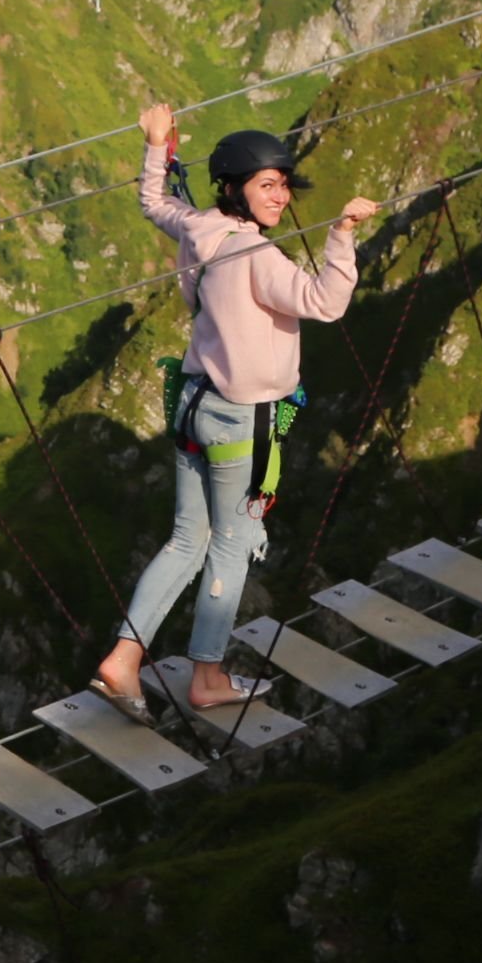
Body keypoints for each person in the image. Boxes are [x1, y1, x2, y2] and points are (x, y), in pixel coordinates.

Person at [95, 102, 378, 719]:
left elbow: (153, 202)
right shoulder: (258, 256)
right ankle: (208, 677)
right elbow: (324, 302)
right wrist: (343, 233)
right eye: (267, 185)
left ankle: (123, 659)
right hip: (239, 419)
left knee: (184, 540)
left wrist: (154, 146)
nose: (280, 197)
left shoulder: (200, 227)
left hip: (194, 405)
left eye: (283, 185)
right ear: (237, 189)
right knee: (231, 542)